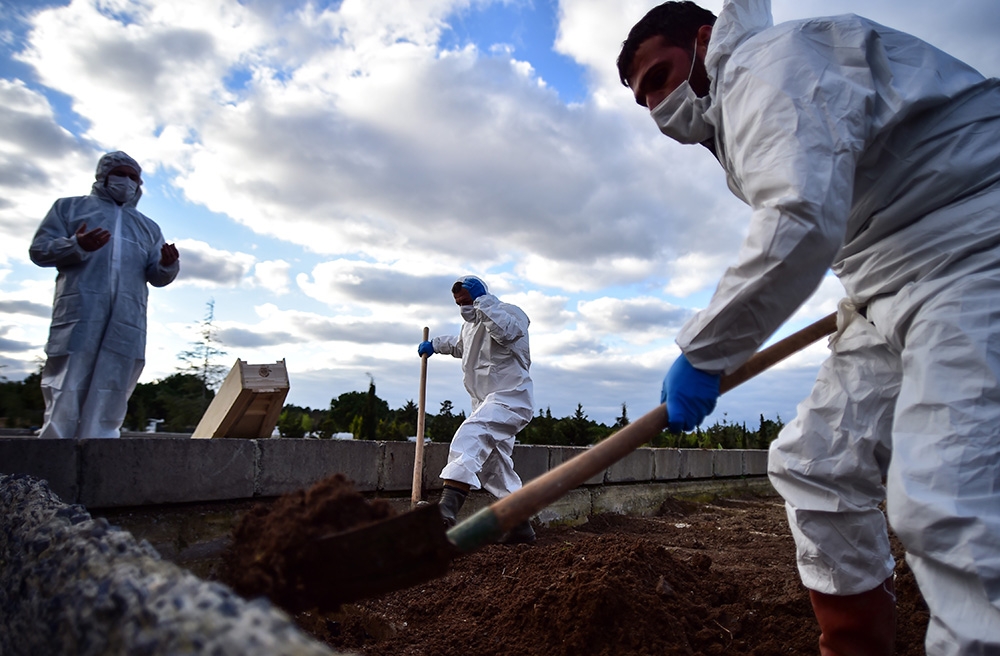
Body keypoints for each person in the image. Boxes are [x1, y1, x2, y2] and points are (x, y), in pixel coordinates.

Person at [617, 1, 1000, 654]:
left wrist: (707, 353)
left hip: (972, 243)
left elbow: (799, 216)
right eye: (643, 97)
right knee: (815, 466)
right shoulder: (736, 116)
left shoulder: (766, 66)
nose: (656, 105)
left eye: (660, 76)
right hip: (887, 277)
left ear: (705, 41)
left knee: (946, 496)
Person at [29, 151, 180, 439]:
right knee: (70, 372)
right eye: (120, 174)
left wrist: (168, 265)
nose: (127, 181)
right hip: (80, 309)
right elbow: (40, 250)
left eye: (133, 177)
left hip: (127, 316)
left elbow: (157, 275)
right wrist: (77, 244)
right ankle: (55, 442)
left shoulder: (148, 227)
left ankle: (102, 441)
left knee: (116, 375)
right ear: (103, 176)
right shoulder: (70, 208)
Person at [417, 275, 536, 544]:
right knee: (495, 468)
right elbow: (460, 346)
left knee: (472, 432)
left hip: (511, 398)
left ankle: (446, 508)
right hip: (483, 401)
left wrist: (483, 301)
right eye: (459, 304)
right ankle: (521, 527)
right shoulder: (469, 326)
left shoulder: (508, 313)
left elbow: (507, 333)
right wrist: (434, 345)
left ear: (480, 296)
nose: (464, 308)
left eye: (467, 301)